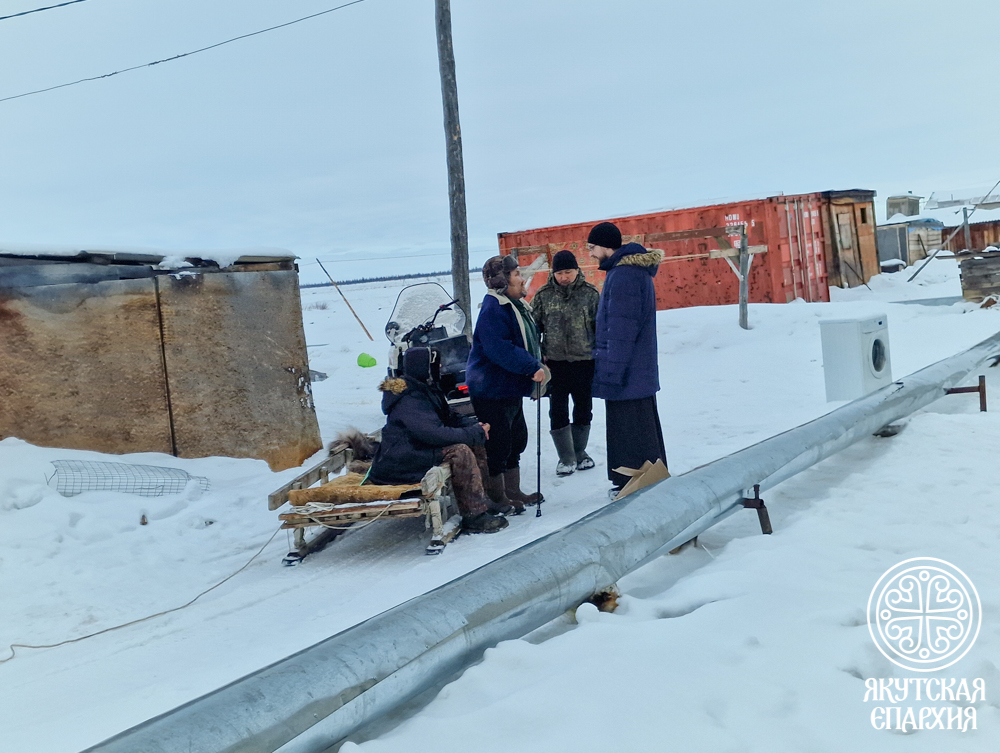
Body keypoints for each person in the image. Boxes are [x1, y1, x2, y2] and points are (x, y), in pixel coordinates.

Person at [368, 347, 509, 533]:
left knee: (474, 440)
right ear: (423, 368)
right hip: (402, 461)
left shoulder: (425, 389)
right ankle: (473, 515)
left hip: (418, 450)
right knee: (460, 451)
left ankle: (482, 500)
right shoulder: (409, 398)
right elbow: (434, 434)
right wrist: (473, 432)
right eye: (435, 364)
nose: (441, 367)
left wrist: (476, 427)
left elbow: (449, 417)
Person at [587, 221, 668, 498]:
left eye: (592, 247)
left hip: (627, 373)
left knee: (629, 431)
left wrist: (611, 373)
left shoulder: (624, 276)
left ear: (606, 246)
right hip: (635, 371)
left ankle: (634, 485)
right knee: (639, 429)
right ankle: (641, 481)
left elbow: (620, 331)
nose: (591, 253)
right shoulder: (629, 272)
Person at [466, 255, 546, 514]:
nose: (522, 279)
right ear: (503, 281)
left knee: (515, 439)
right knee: (498, 444)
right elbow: (500, 349)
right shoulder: (494, 309)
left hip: (507, 387)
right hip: (490, 389)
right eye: (516, 274)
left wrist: (538, 361)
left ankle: (513, 491)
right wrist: (531, 366)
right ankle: (498, 497)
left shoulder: (513, 306)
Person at [530, 249, 600, 476]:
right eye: (559, 273)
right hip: (555, 365)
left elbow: (600, 328)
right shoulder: (543, 295)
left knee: (584, 408)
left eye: (568, 272)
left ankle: (580, 452)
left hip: (584, 362)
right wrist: (539, 358)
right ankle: (566, 457)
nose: (564, 277)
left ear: (577, 270)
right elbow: (533, 329)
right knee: (558, 410)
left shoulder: (591, 294)